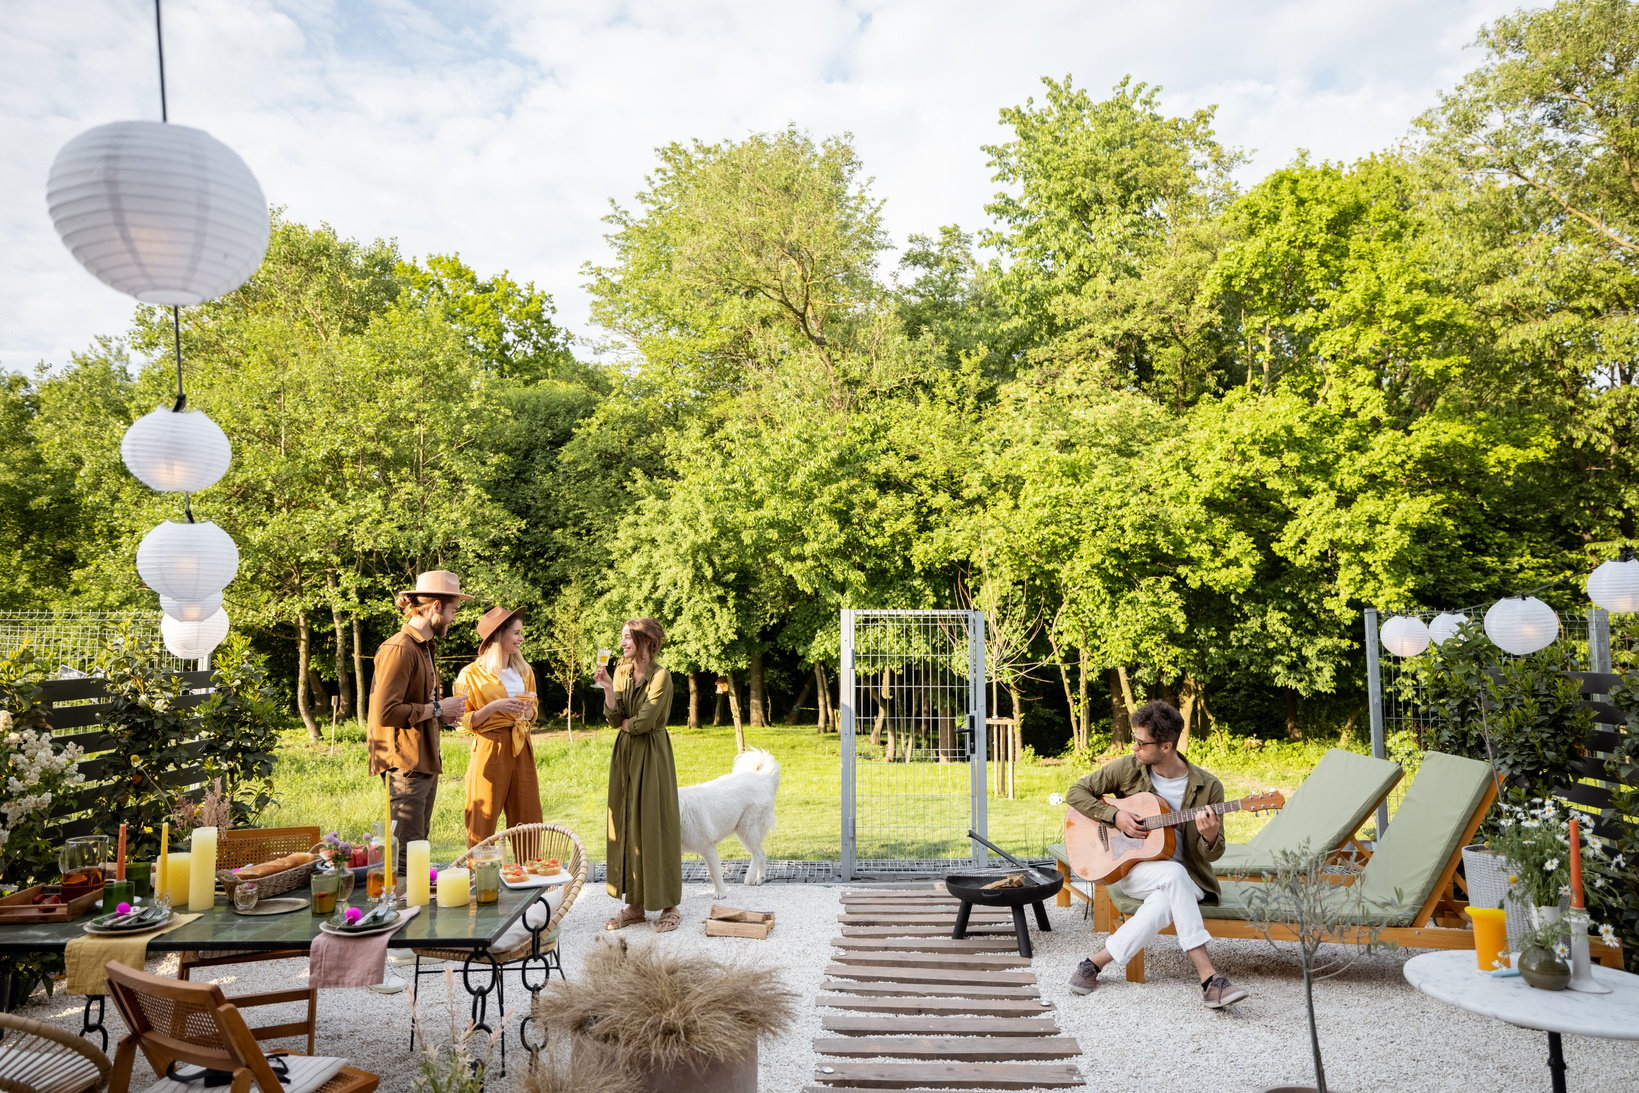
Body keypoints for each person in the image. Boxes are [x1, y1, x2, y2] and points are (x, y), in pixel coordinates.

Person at [1063, 699, 1249, 1008]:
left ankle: (1095, 961)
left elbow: (1212, 855)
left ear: (1166, 746)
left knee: (1169, 891)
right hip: (1135, 871)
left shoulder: (1208, 788)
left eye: (1140, 742)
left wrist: (1211, 836)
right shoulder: (1128, 767)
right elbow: (1076, 793)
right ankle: (1209, 977)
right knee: (1169, 879)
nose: (1133, 747)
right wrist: (1115, 817)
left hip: (1190, 879)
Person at [366, 569, 470, 878]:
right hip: (405, 765)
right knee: (406, 860)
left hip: (423, 762)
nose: (454, 619)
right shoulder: (400, 648)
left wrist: (443, 714)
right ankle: (402, 920)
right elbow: (386, 712)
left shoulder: (424, 647)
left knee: (418, 852)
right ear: (435, 607)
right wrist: (438, 708)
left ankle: (416, 919)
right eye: (453, 611)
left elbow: (417, 707)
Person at [593, 616, 682, 932]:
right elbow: (614, 718)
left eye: (627, 637)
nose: (621, 643)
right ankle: (635, 905)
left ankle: (670, 903)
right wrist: (607, 689)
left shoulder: (661, 677)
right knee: (627, 824)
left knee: (656, 825)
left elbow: (643, 723)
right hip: (625, 756)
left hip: (652, 755)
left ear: (644, 640)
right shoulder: (619, 672)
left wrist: (626, 723)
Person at [453, 606, 542, 847]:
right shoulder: (470, 674)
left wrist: (528, 711)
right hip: (489, 746)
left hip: (521, 745)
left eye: (521, 632)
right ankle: (480, 877)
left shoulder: (524, 671)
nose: (521, 638)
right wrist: (495, 706)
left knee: (528, 816)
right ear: (498, 635)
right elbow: (460, 720)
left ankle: (529, 874)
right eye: (516, 633)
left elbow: (533, 711)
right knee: (483, 816)